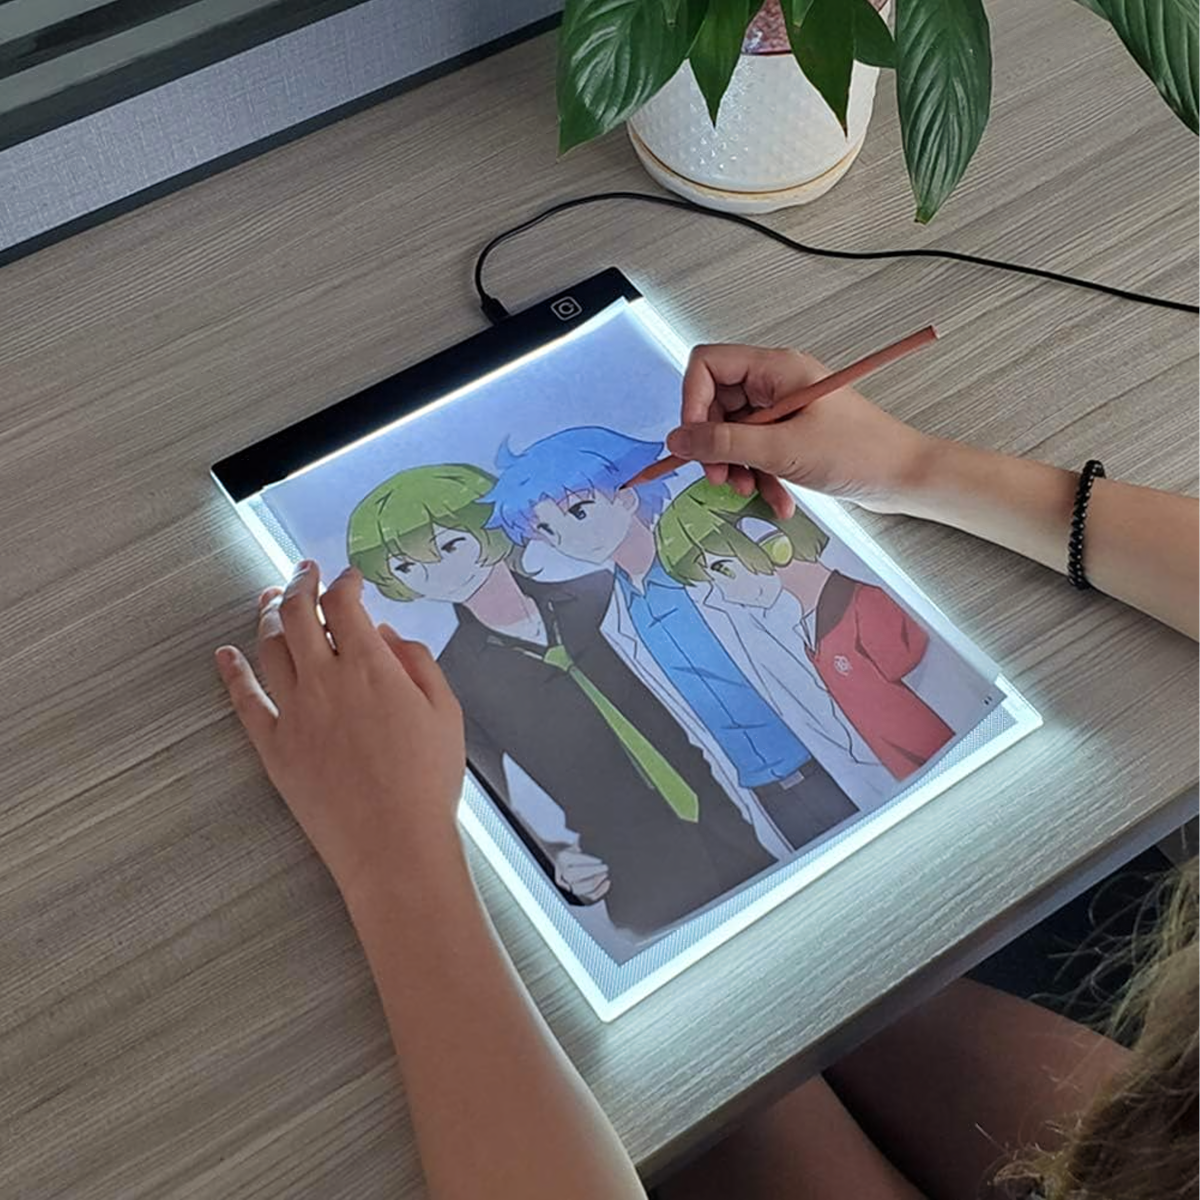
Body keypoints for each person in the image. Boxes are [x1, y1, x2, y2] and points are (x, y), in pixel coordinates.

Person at [214, 342, 1198, 1200]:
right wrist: (913, 466)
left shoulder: (612, 597)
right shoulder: (598, 605)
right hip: (1156, 1126)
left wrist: (394, 855)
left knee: (695, 1067)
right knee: (823, 987)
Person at [344, 462, 782, 940]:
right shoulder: (452, 681)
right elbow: (479, 801)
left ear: (491, 527)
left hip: (736, 815)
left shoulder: (600, 594)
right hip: (631, 872)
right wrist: (550, 858)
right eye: (407, 568)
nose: (440, 574)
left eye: (451, 546)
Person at [486, 426, 859, 850]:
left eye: (579, 512)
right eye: (548, 530)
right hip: (763, 793)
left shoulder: (711, 567)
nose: (568, 540)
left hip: (833, 758)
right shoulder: (617, 619)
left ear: (627, 496)